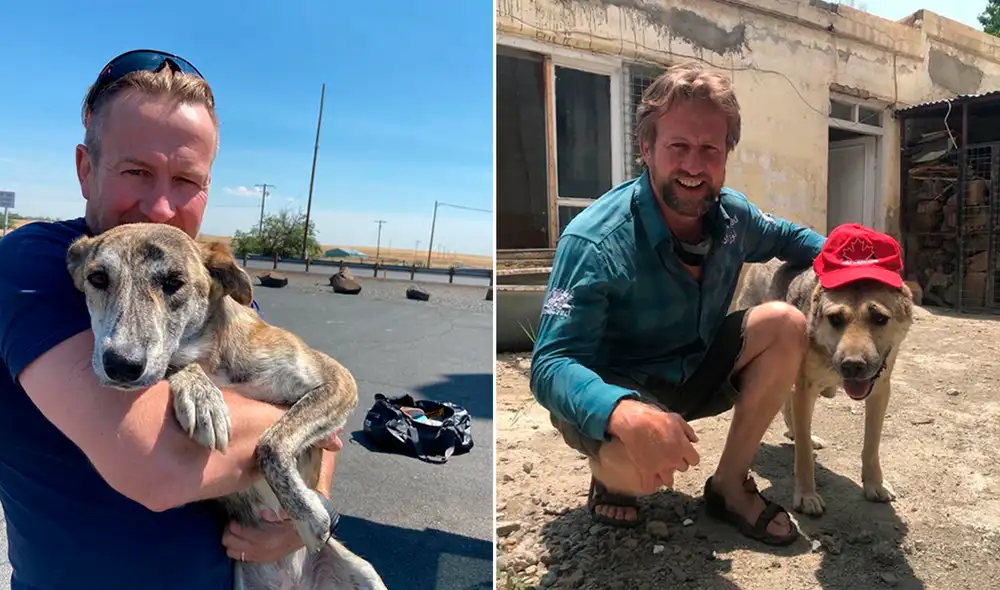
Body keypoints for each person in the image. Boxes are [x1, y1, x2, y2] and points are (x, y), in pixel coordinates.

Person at [0, 49, 343, 590]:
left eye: (186, 180)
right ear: (86, 169)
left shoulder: (203, 280)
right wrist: (281, 420)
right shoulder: (35, 264)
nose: (160, 207)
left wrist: (310, 511)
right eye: (137, 171)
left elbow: (328, 427)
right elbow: (161, 470)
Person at [529, 61, 827, 546]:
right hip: (623, 387)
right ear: (646, 149)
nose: (694, 165)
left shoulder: (732, 217)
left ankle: (729, 486)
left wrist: (855, 259)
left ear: (726, 153)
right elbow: (550, 363)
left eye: (710, 148)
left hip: (693, 374)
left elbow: (788, 237)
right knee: (636, 473)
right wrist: (623, 414)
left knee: (785, 323)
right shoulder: (594, 241)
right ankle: (612, 476)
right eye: (678, 147)